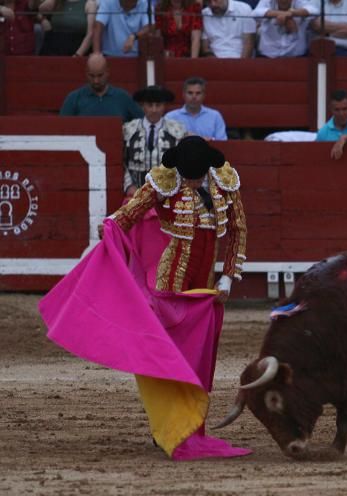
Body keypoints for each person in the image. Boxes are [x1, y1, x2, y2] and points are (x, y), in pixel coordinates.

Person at [41, 135, 250, 460]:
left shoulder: (223, 181)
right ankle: (169, 424)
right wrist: (111, 225)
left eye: (197, 175)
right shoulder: (165, 180)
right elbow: (132, 211)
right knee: (167, 357)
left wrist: (227, 278)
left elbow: (238, 230)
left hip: (206, 289)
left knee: (199, 359)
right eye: (188, 176)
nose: (193, 181)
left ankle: (190, 426)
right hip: (170, 284)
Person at [123, 85, 187, 197]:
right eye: (150, 105)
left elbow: (182, 162)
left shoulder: (177, 130)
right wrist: (129, 185)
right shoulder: (128, 129)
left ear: (164, 106)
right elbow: (122, 161)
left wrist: (174, 188)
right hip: (136, 193)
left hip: (169, 193)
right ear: (143, 106)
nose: (154, 110)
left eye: (158, 105)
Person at [60, 53, 144, 122]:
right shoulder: (74, 98)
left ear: (107, 72)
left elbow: (142, 124)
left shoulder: (123, 98)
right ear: (86, 73)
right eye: (92, 76)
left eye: (100, 75)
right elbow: (62, 129)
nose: (96, 81)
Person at [252, 0, 319, 58]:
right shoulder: (267, 1)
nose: (284, 1)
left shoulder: (300, 1)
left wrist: (293, 13)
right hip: (268, 56)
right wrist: (281, 14)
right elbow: (255, 14)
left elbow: (314, 11)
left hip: (297, 56)